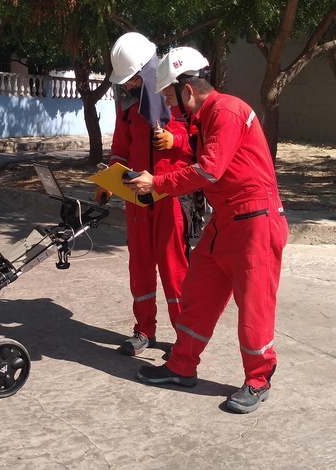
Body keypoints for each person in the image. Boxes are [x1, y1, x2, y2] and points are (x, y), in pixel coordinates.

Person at [124, 47, 289, 413]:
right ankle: (181, 366)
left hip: (255, 220)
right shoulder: (206, 119)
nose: (166, 104)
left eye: (168, 96)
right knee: (197, 292)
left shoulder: (227, 111)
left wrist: (158, 183)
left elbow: (209, 170)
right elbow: (197, 152)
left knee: (254, 306)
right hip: (227, 218)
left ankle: (259, 378)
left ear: (186, 92)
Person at [95, 32, 192, 357]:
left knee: (174, 269)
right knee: (140, 267)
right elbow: (121, 149)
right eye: (126, 81)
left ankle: (184, 339)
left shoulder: (176, 99)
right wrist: (109, 182)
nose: (129, 85)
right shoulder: (126, 109)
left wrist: (174, 141)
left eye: (135, 79)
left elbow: (199, 144)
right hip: (137, 198)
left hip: (170, 199)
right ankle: (143, 331)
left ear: (149, 71)